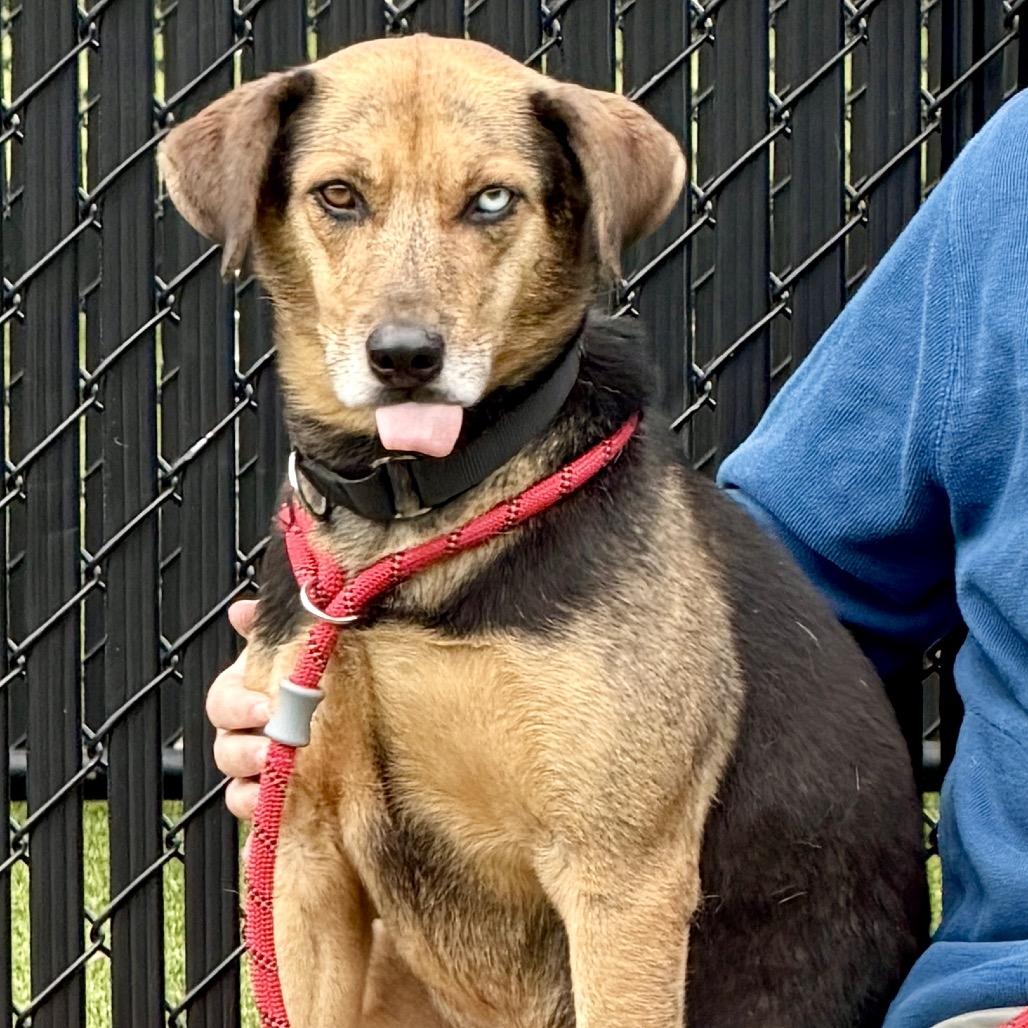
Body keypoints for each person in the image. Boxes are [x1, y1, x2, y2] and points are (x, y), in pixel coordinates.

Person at [207, 91, 1028, 1028]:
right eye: (342, 199)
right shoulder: (1016, 183)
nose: (407, 309)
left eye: (487, 204)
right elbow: (778, 569)